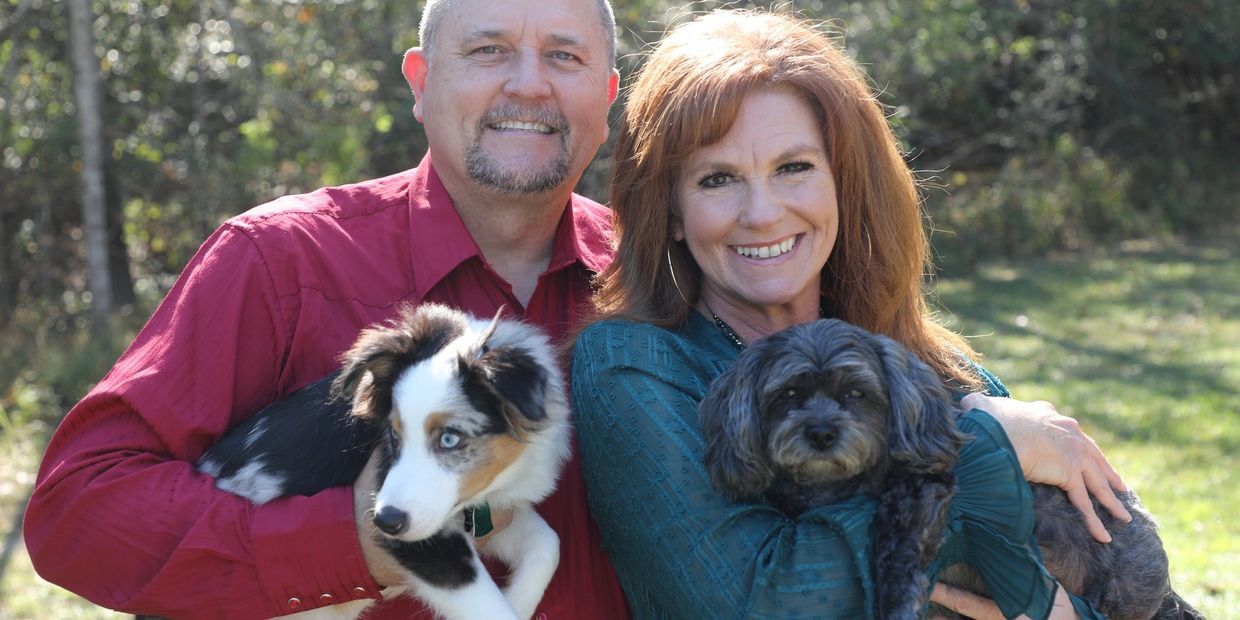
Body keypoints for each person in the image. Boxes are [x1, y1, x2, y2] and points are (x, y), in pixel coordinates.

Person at [24, 0, 630, 617]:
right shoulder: (277, 260)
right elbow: (78, 514)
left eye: (564, 56)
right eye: (487, 50)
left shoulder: (653, 276)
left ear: (607, 97)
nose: (529, 84)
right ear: (421, 83)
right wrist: (350, 544)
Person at [570, 9, 1129, 620]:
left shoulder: (917, 357)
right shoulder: (635, 366)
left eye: (793, 167)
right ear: (672, 211)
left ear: (844, 183)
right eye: (718, 179)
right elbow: (758, 601)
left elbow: (1110, 567)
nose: (762, 213)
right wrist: (983, 456)